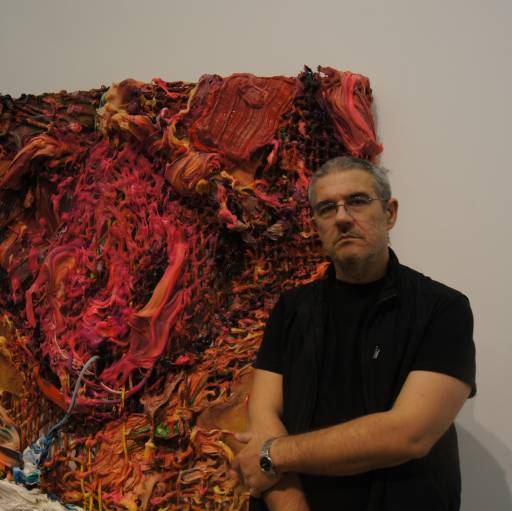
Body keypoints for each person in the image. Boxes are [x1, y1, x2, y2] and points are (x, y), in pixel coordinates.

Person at [231, 156, 476, 511]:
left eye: (357, 201)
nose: (342, 218)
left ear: (389, 213)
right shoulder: (290, 309)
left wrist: (275, 454)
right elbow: (264, 418)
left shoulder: (442, 309)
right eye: (327, 208)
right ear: (316, 225)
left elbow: (409, 434)